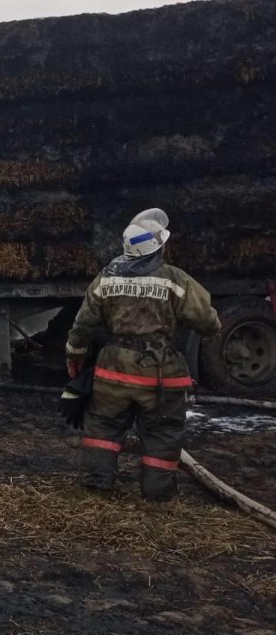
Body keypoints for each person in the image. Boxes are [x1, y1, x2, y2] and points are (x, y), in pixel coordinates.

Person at [64, 208, 220, 502]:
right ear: (158, 245)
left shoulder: (105, 278)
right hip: (160, 373)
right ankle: (157, 495)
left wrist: (75, 355)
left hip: (113, 371)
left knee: (103, 427)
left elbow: (83, 324)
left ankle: (97, 486)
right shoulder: (175, 279)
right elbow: (206, 321)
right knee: (162, 433)